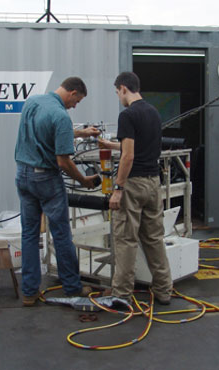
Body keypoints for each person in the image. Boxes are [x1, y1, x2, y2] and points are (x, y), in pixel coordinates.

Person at [15, 76, 100, 306]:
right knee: (61, 233)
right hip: (46, 179)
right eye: (78, 101)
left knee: (29, 234)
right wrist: (83, 180)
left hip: (22, 175)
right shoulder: (62, 116)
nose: (75, 106)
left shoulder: (33, 102)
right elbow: (63, 162)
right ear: (72, 92)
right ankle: (72, 287)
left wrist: (82, 133)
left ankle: (30, 292)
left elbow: (43, 133)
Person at [98, 72, 172, 305]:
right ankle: (164, 290)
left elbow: (128, 156)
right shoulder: (153, 112)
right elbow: (136, 146)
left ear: (122, 88)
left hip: (133, 184)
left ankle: (121, 295)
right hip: (153, 184)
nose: (118, 97)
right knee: (154, 239)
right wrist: (110, 144)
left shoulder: (127, 115)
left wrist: (118, 188)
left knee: (126, 240)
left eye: (117, 93)